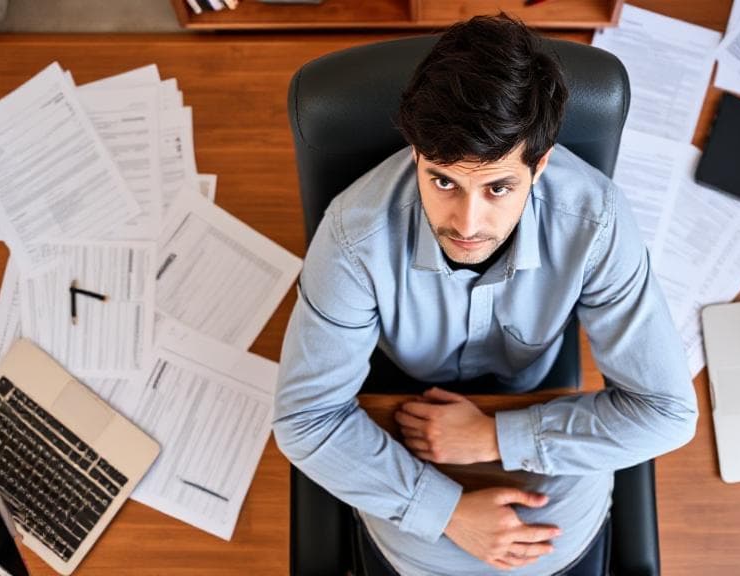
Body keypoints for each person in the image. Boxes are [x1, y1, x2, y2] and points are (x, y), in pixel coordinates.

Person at [273, 14, 697, 576]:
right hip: (407, 416)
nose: (467, 222)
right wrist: (445, 512)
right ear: (417, 152)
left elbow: (667, 412)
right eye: (443, 180)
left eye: (498, 187)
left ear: (538, 165)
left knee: (542, 549)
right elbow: (305, 420)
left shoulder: (594, 219)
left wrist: (496, 437)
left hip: (532, 414)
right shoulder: (355, 234)